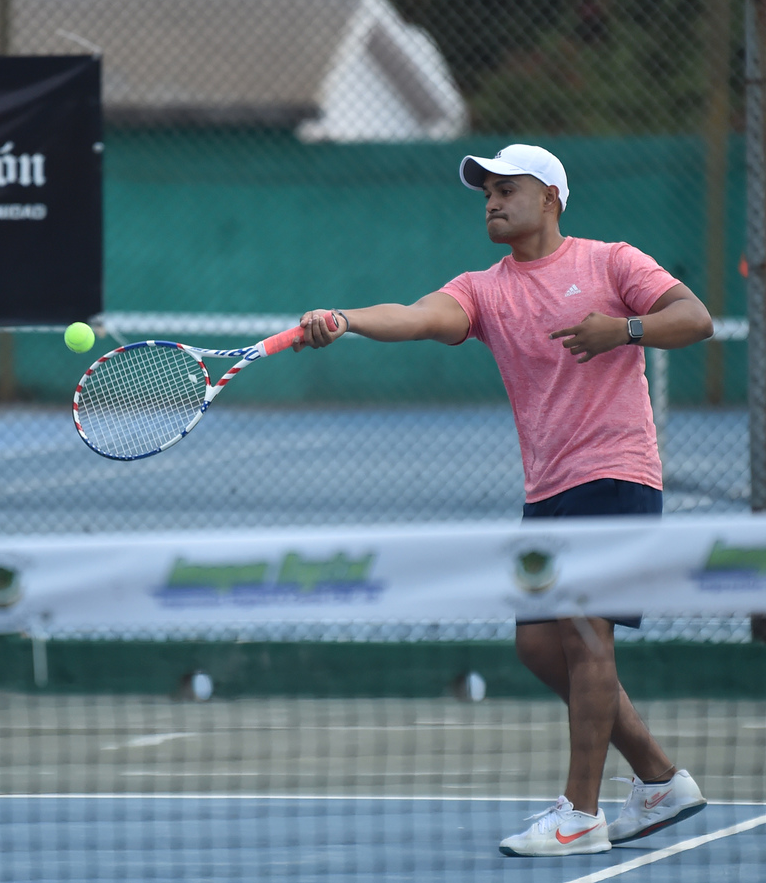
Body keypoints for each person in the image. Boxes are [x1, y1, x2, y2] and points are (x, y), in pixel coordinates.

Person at [294, 144, 714, 858]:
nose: (490, 199)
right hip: (547, 486)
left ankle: (580, 813)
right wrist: (347, 317)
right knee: (537, 644)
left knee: (585, 634)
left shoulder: (611, 262)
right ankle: (657, 777)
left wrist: (625, 328)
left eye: (506, 187)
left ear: (550, 195)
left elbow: (695, 317)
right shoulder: (485, 289)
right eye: (485, 190)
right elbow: (418, 314)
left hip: (614, 471)